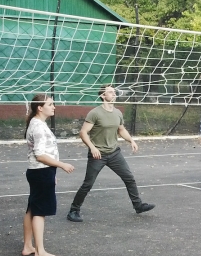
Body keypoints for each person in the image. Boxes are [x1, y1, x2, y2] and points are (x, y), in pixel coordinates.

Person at [66, 84, 155, 222]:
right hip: (98, 155)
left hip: (114, 153)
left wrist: (131, 140)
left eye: (114, 92)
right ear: (103, 96)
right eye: (110, 92)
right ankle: (73, 211)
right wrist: (92, 148)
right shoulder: (95, 113)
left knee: (129, 178)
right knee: (88, 184)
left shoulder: (117, 112)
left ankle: (138, 206)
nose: (114, 94)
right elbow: (83, 132)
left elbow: (121, 130)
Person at [23, 94, 75, 256]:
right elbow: (40, 155)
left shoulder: (36, 123)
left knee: (32, 208)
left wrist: (53, 173)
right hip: (41, 172)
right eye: (50, 104)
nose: (54, 107)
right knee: (40, 211)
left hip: (40, 172)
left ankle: (28, 246)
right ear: (40, 108)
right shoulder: (38, 126)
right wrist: (61, 165)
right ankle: (40, 252)